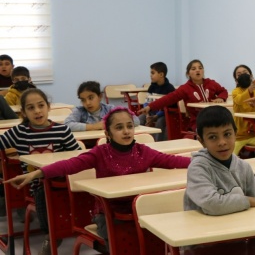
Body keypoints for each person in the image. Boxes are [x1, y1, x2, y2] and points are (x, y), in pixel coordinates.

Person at [6, 106, 190, 252]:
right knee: (124, 241)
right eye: (119, 127)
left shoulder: (144, 152)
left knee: (157, 233)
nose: (126, 131)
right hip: (107, 213)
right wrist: (37, 173)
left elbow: (173, 160)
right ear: (108, 134)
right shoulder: (100, 153)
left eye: (129, 126)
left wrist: (202, 161)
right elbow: (70, 164)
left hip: (140, 209)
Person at [0, 88, 82, 255]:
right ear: (23, 112)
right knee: (43, 193)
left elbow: (77, 158)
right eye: (31, 108)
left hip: (62, 180)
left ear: (48, 107)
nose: (37, 111)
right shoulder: (19, 132)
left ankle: (79, 228)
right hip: (37, 184)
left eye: (40, 105)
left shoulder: (62, 130)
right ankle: (50, 234)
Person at [184, 105, 255, 215]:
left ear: (235, 134)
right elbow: (212, 204)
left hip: (239, 226)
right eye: (212, 137)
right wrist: (249, 201)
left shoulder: (243, 166)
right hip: (204, 229)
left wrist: (254, 203)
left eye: (227, 134)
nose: (222, 142)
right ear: (201, 141)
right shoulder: (198, 168)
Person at [139, 59, 228, 133]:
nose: (198, 70)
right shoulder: (185, 88)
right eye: (193, 69)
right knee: (207, 132)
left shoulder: (211, 83)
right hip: (197, 121)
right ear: (188, 73)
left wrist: (220, 97)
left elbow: (223, 91)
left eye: (200, 68)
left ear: (203, 71)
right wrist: (150, 107)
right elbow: (168, 98)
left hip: (215, 118)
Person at [65, 81, 140, 131]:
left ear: (100, 96)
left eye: (91, 98)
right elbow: (67, 125)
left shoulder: (110, 109)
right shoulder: (79, 111)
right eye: (83, 100)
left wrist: (114, 125)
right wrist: (94, 126)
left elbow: (136, 120)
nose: (87, 103)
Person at [138, 62, 176, 141]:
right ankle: (140, 142)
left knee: (160, 121)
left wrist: (156, 116)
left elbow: (169, 108)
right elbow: (146, 102)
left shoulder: (169, 88)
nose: (150, 75)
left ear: (161, 74)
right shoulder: (152, 87)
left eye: (153, 73)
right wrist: (147, 114)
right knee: (140, 119)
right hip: (151, 113)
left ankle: (158, 144)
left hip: (164, 115)